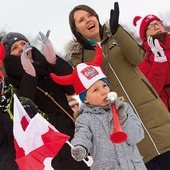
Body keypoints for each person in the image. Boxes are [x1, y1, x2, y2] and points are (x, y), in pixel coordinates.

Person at [65, 1, 170, 168]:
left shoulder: (116, 35)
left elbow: (138, 58)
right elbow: (93, 83)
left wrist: (118, 31)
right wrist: (89, 50)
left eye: (90, 15)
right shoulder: (79, 56)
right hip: (122, 117)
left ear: (96, 18)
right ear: (76, 30)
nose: (88, 20)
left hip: (150, 108)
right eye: (81, 20)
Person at [1, 31, 89, 170]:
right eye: (15, 48)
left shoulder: (47, 67)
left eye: (24, 44)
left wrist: (54, 61)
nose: (21, 49)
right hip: (46, 144)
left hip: (71, 133)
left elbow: (72, 88)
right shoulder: (10, 82)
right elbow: (25, 107)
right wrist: (30, 75)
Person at [50, 45, 147, 170]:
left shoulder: (124, 107)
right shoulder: (85, 119)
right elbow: (82, 135)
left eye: (104, 86)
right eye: (95, 90)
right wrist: (80, 147)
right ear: (85, 98)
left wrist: (124, 118)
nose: (103, 92)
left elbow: (137, 136)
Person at [133, 15, 170, 111]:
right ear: (144, 34)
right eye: (151, 26)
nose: (157, 27)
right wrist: (160, 61)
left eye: (158, 23)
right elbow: (151, 90)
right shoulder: (143, 56)